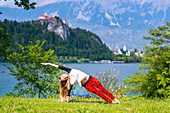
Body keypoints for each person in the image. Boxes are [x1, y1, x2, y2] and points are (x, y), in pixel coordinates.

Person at [41, 63, 120, 104]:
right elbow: (68, 93)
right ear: (64, 80)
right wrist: (65, 101)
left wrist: (48, 64)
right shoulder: (70, 83)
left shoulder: (69, 70)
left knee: (103, 90)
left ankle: (115, 99)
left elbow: (59, 66)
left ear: (63, 74)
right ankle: (111, 102)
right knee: (99, 93)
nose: (64, 77)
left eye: (63, 76)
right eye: (64, 79)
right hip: (87, 86)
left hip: (91, 79)